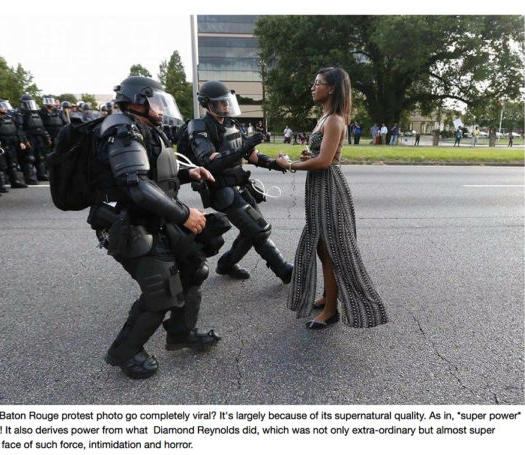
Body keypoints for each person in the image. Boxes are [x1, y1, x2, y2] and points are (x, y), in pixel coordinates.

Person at [89, 76, 223, 379]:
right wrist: (183, 213)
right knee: (161, 292)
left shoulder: (141, 128)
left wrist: (190, 173)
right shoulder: (121, 131)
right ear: (138, 101)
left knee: (193, 269)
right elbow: (136, 184)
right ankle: (124, 351)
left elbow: (155, 172)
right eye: (157, 103)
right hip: (129, 224)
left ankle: (181, 333)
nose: (162, 110)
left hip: (153, 218)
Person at [275, 67, 387, 330]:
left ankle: (331, 310)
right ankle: (328, 295)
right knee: (321, 247)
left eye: (318, 83)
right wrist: (306, 157)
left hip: (329, 188)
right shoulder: (324, 118)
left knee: (332, 250)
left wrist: (289, 165)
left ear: (332, 88)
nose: (313, 88)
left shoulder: (335, 119)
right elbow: (319, 156)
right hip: (319, 187)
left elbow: (325, 162)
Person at [187, 80, 293, 283]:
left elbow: (252, 155)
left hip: (240, 186)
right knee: (259, 229)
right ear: (207, 104)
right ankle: (284, 270)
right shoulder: (199, 127)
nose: (225, 106)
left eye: (227, 102)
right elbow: (209, 162)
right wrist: (243, 149)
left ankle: (226, 264)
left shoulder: (231, 124)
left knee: (251, 230)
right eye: (220, 103)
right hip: (221, 190)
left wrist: (275, 164)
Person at [0, 99, 28, 190]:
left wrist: (20, 141)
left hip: (11, 144)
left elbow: (16, 130)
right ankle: (1, 186)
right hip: (0, 145)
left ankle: (15, 182)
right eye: (2, 106)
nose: (5, 108)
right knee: (0, 166)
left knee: (12, 164)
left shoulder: (9, 117)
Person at [15, 94, 49, 182]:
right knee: (29, 158)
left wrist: (47, 137)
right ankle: (30, 177)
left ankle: (42, 174)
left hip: (39, 137)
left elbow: (42, 126)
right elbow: (20, 129)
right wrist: (24, 140)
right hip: (29, 137)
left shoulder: (36, 112)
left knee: (40, 157)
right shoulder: (20, 113)